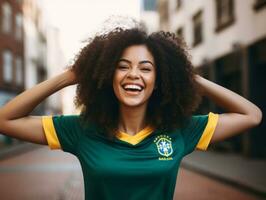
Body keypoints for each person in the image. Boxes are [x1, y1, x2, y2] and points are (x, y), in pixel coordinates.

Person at [0, 27, 262, 200]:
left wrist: (190, 78)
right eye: (122, 66)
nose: (133, 74)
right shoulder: (81, 129)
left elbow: (252, 115)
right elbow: (5, 120)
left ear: (159, 80)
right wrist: (70, 76)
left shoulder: (181, 129)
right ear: (108, 76)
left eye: (146, 68)